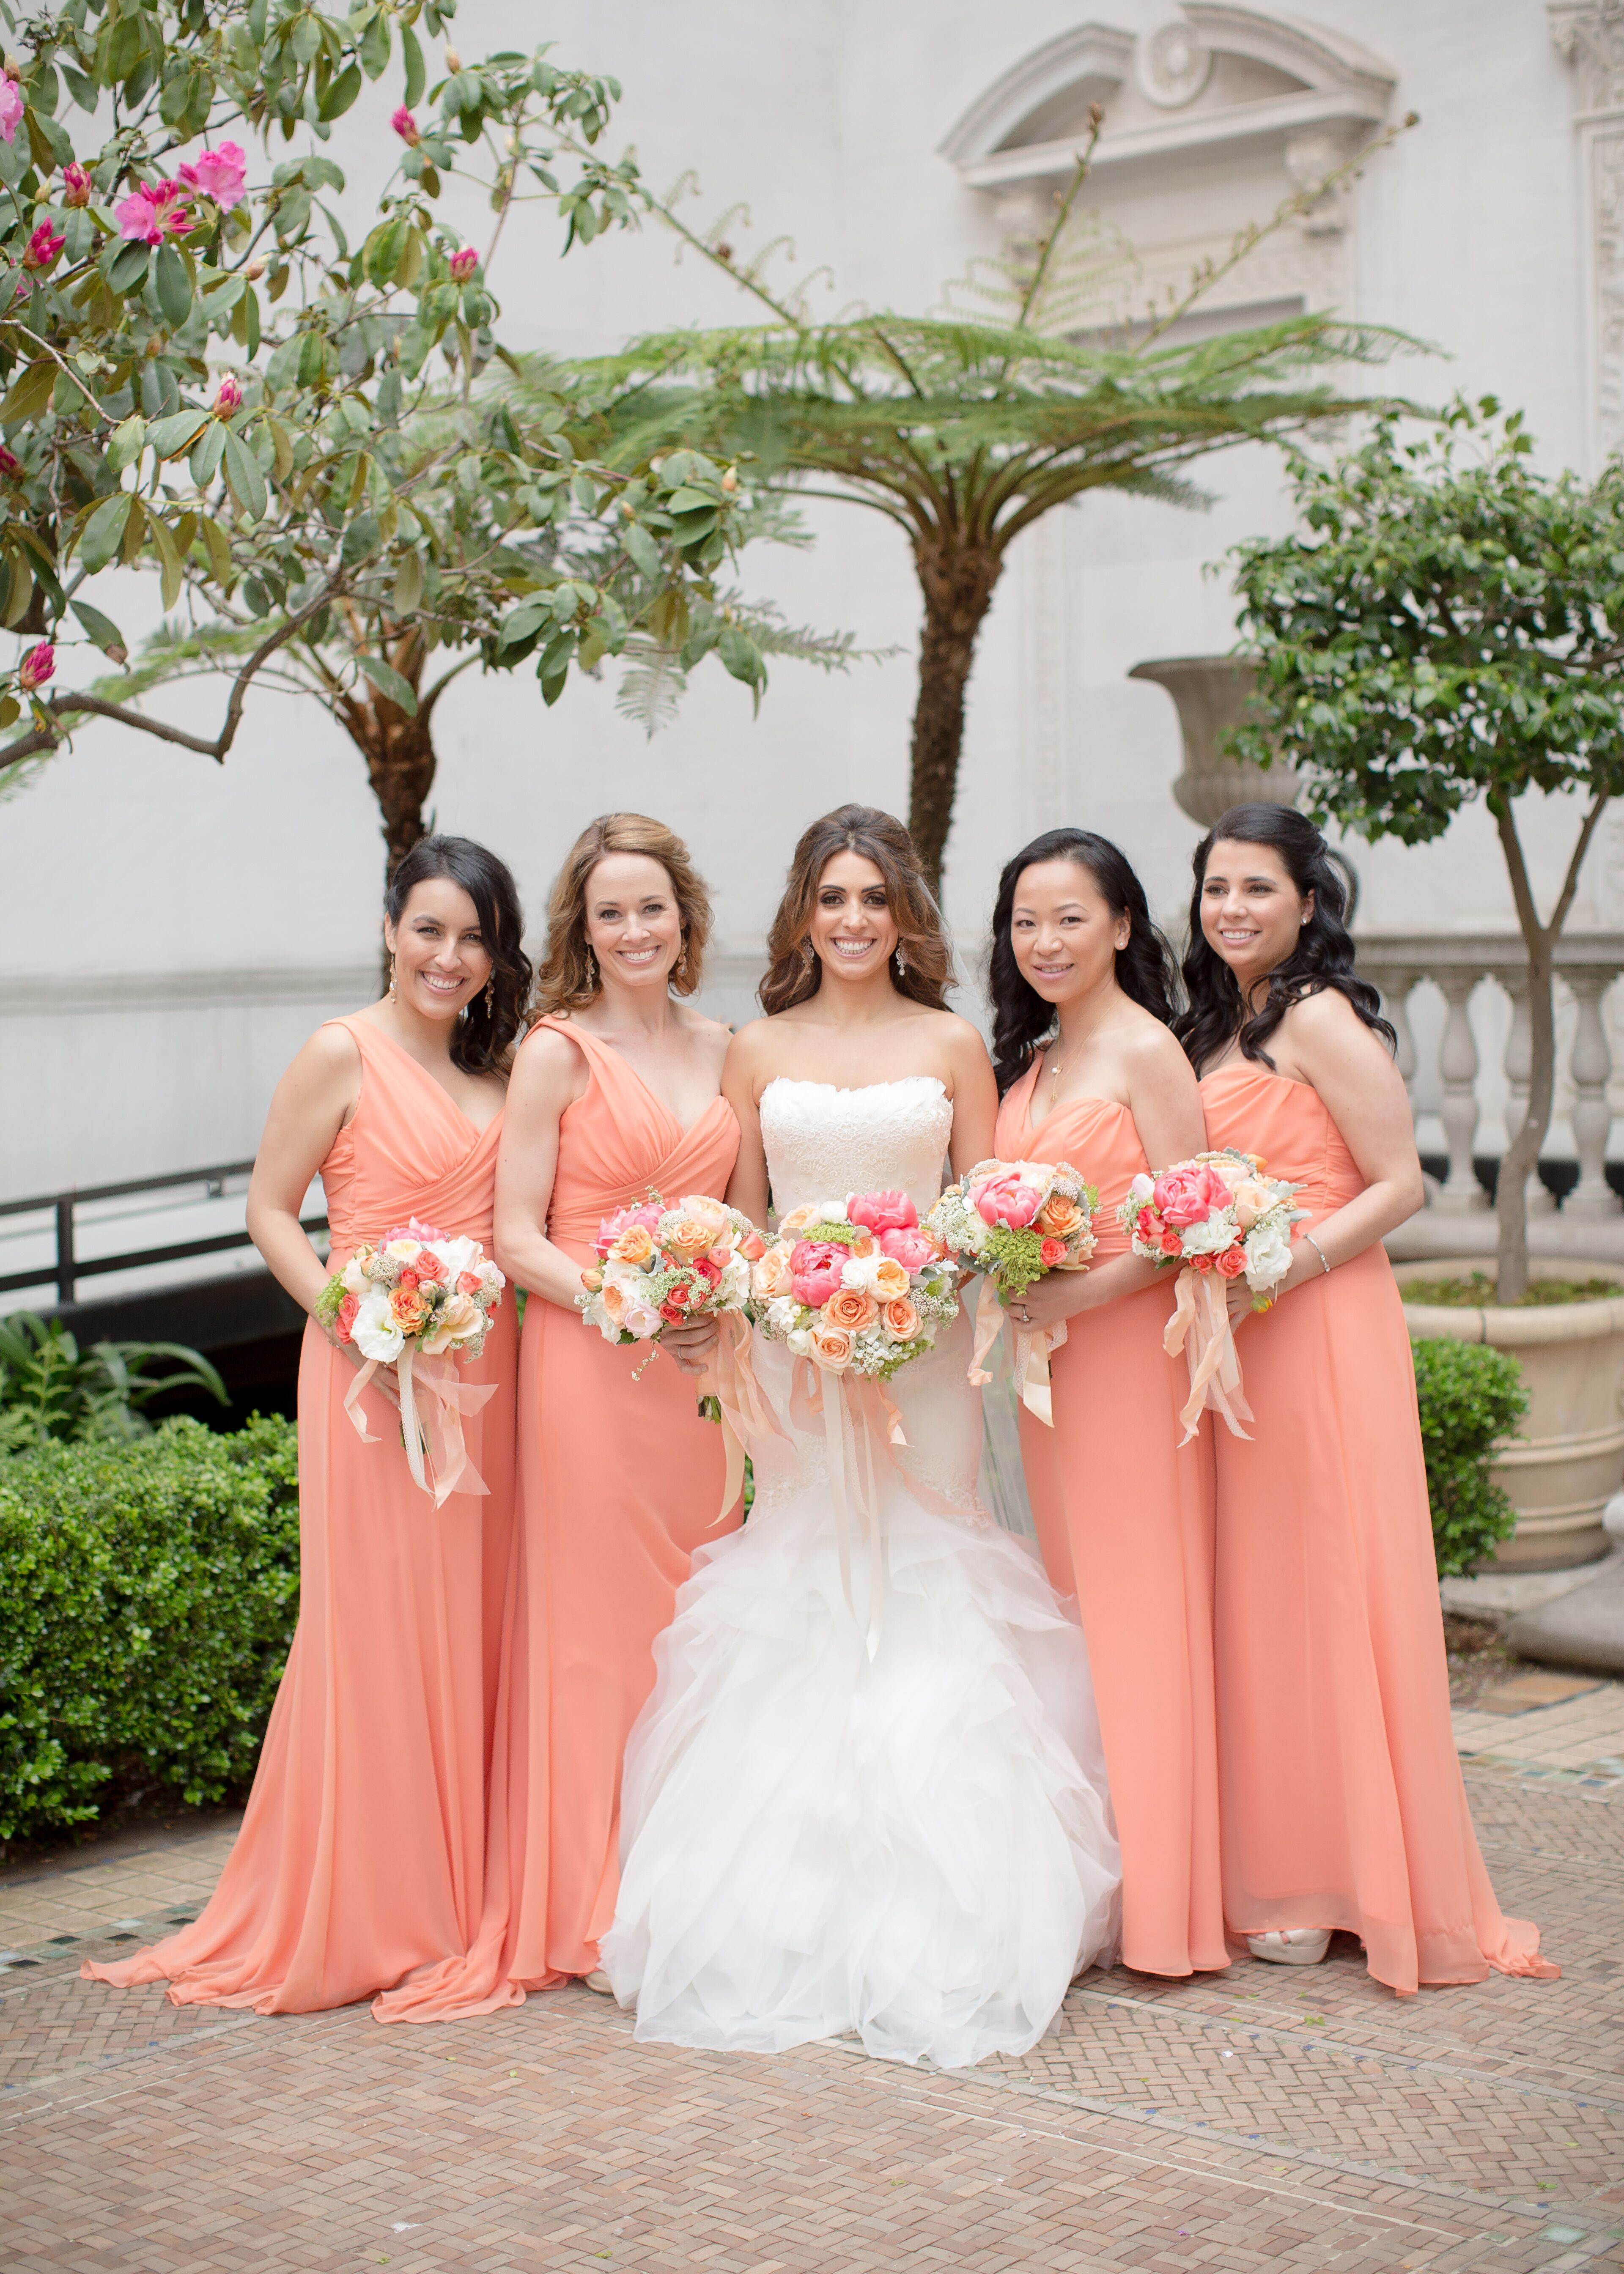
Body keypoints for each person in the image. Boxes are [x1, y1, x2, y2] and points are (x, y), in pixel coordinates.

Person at [599, 805, 1120, 2068]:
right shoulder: (756, 1049)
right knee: (804, 1576)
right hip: (792, 1357)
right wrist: (763, 1297)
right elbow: (743, 1219)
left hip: (924, 1354)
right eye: (830, 898)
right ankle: (784, 1908)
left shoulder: (950, 1043)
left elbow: (988, 1213)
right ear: (802, 912)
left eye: (872, 899)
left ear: (903, 914)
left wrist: (912, 1288)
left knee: (927, 1572)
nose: (850, 920)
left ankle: (956, 1905)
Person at [85, 836, 529, 2017]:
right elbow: (270, 1211)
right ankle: (374, 1902)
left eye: (475, 936)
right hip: (368, 1381)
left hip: (494, 1382)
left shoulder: (501, 1075)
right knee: (378, 1629)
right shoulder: (343, 1051)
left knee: (476, 1630)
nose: (450, 956)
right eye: (430, 929)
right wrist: (358, 1319)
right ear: (390, 928)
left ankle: (459, 1891)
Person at [1178, 803, 1556, 1993]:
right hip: (1236, 1329)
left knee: (1327, 1587)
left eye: (1257, 889)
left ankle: (1344, 1878)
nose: (1232, 909)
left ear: (1307, 903)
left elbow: (1399, 1185)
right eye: (1217, 888)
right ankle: (1282, 1856)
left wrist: (1290, 1264)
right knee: (1260, 1595)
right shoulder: (1213, 1022)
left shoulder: (1322, 1019)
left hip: (1321, 1323)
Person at [392, 813, 741, 2020]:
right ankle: (592, 1906)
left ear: (685, 920)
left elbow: (743, 1220)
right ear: (582, 932)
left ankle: (691, 1894)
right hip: (590, 1375)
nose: (634, 929)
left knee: (700, 1631)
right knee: (597, 1640)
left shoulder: (725, 1048)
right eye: (610, 913)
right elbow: (514, 1233)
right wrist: (619, 1301)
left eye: (653, 907)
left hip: (699, 1382)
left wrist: (718, 1301)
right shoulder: (554, 1050)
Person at [989, 828, 1228, 1979]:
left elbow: (1192, 1226)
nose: (1046, 941)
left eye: (1071, 917)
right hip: (1052, 1375)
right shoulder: (1030, 1062)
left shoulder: (1148, 1053)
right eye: (1027, 920)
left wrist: (1074, 1292)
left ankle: (1173, 1898)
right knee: (1079, 1604)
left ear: (1125, 926)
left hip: (1130, 1358)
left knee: (1139, 1606)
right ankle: (1109, 1870)